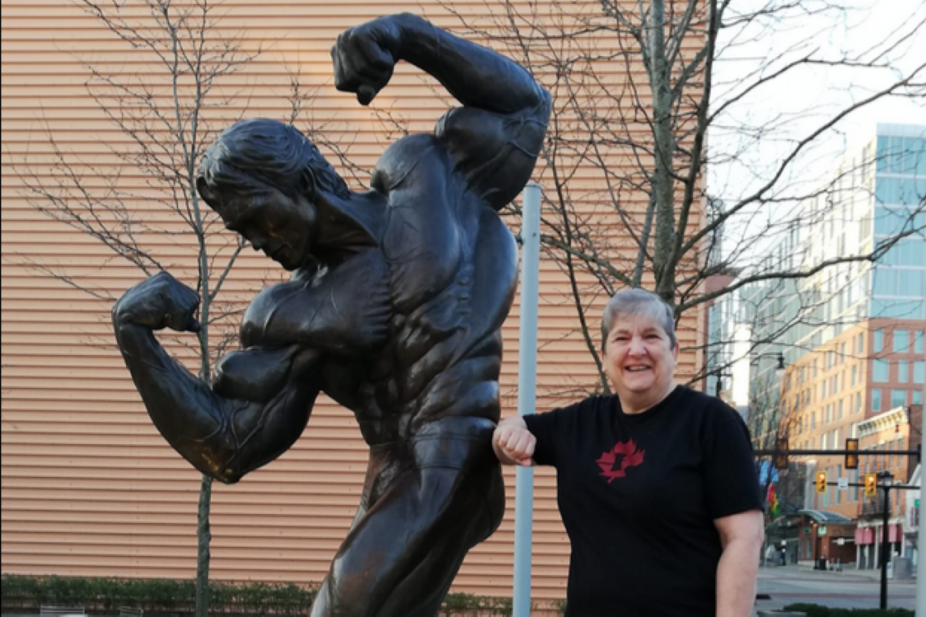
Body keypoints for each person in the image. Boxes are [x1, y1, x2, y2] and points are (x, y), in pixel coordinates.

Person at [111, 13, 550, 617]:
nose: (253, 239)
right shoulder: (291, 311)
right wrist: (135, 339)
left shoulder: (423, 180)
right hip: (395, 476)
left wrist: (406, 34)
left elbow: (525, 109)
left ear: (298, 180)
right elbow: (228, 446)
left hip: (456, 454)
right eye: (239, 229)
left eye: (255, 215)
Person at [493, 289, 764, 617]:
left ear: (674, 351)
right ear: (604, 356)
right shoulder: (582, 422)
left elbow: (743, 539)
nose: (637, 349)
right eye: (622, 338)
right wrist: (507, 434)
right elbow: (512, 436)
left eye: (651, 336)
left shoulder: (712, 423)